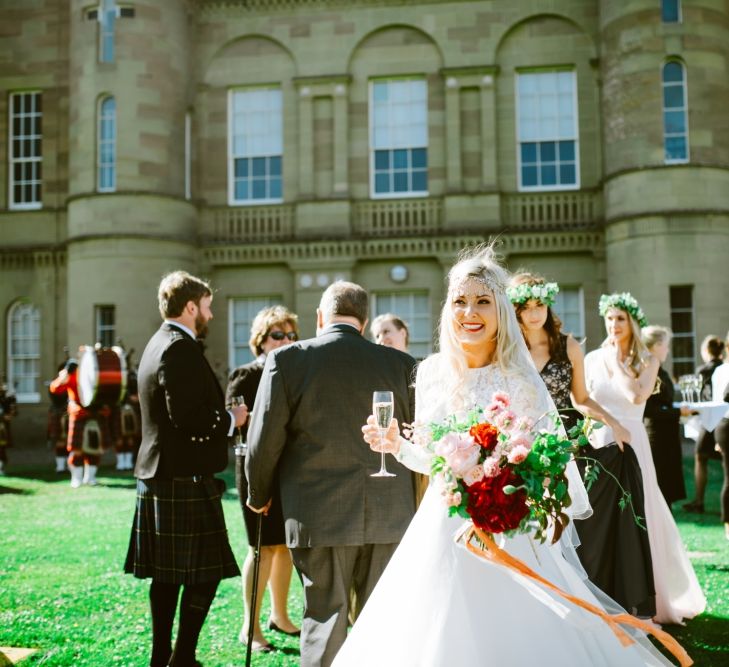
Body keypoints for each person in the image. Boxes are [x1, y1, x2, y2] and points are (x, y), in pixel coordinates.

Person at [333, 247, 674, 666]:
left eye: (482, 301)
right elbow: (429, 459)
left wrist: (514, 483)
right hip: (445, 526)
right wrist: (396, 445)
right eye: (460, 301)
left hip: (511, 526)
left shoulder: (519, 377)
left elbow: (546, 458)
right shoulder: (434, 373)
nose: (469, 312)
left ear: (500, 312)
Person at [245, 281, 417, 667]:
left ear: (320, 317)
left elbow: (264, 442)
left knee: (325, 618)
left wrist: (258, 495)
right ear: (364, 319)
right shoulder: (404, 365)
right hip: (391, 513)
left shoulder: (287, 360)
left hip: (317, 514)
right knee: (383, 622)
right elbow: (417, 438)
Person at [508, 273, 654, 617]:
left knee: (580, 520)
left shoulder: (567, 344)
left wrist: (614, 424)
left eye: (539, 305)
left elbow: (582, 398)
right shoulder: (509, 348)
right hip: (523, 439)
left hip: (569, 440)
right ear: (515, 311)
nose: (534, 314)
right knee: (530, 522)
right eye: (526, 308)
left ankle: (585, 598)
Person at [123, 270, 248, 667]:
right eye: (208, 306)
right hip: (181, 477)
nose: (210, 314)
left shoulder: (156, 343)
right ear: (191, 306)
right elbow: (189, 418)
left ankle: (165, 656)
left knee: (167, 575)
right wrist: (232, 420)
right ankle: (180, 657)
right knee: (203, 573)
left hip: (163, 474)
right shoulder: (179, 348)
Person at [584, 293, 705, 625]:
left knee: (640, 513)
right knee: (604, 515)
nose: (613, 325)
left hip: (634, 440)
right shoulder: (593, 358)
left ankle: (648, 595)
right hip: (602, 440)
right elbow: (584, 399)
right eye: (609, 319)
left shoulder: (648, 360)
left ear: (632, 322)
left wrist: (616, 364)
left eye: (620, 318)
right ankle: (607, 588)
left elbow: (635, 395)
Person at [225, 305, 301, 652]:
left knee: (285, 545)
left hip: (289, 469)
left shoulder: (294, 372)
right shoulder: (245, 375)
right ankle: (250, 628)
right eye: (277, 335)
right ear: (260, 340)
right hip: (254, 469)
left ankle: (280, 617)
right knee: (262, 548)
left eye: (290, 335)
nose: (285, 340)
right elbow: (234, 424)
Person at [642, 326, 689, 507]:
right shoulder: (647, 371)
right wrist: (678, 412)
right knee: (659, 486)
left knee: (667, 488)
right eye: (666, 345)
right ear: (656, 346)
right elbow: (649, 410)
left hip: (667, 435)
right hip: (656, 437)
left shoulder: (661, 371)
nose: (668, 350)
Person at [49, 358, 109, 488]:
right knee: (77, 450)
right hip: (79, 414)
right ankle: (76, 479)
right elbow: (55, 389)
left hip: (96, 413)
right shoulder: (72, 375)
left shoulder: (96, 374)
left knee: (94, 449)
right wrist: (64, 374)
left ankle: (90, 478)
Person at [684, 335, 725, 513]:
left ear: (705, 351)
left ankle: (699, 500)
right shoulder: (724, 368)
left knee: (700, 457)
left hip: (709, 420)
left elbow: (700, 398)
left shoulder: (703, 370)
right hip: (724, 419)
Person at [708, 334, 729, 540]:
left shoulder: (720, 370)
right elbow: (720, 399)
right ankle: (728, 524)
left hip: (722, 425)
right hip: (725, 423)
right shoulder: (721, 371)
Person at [0, 377, 17, 476]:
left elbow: (13, 412)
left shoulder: (6, 398)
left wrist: (12, 403)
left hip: (3, 427)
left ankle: (1, 468)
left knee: (2, 448)